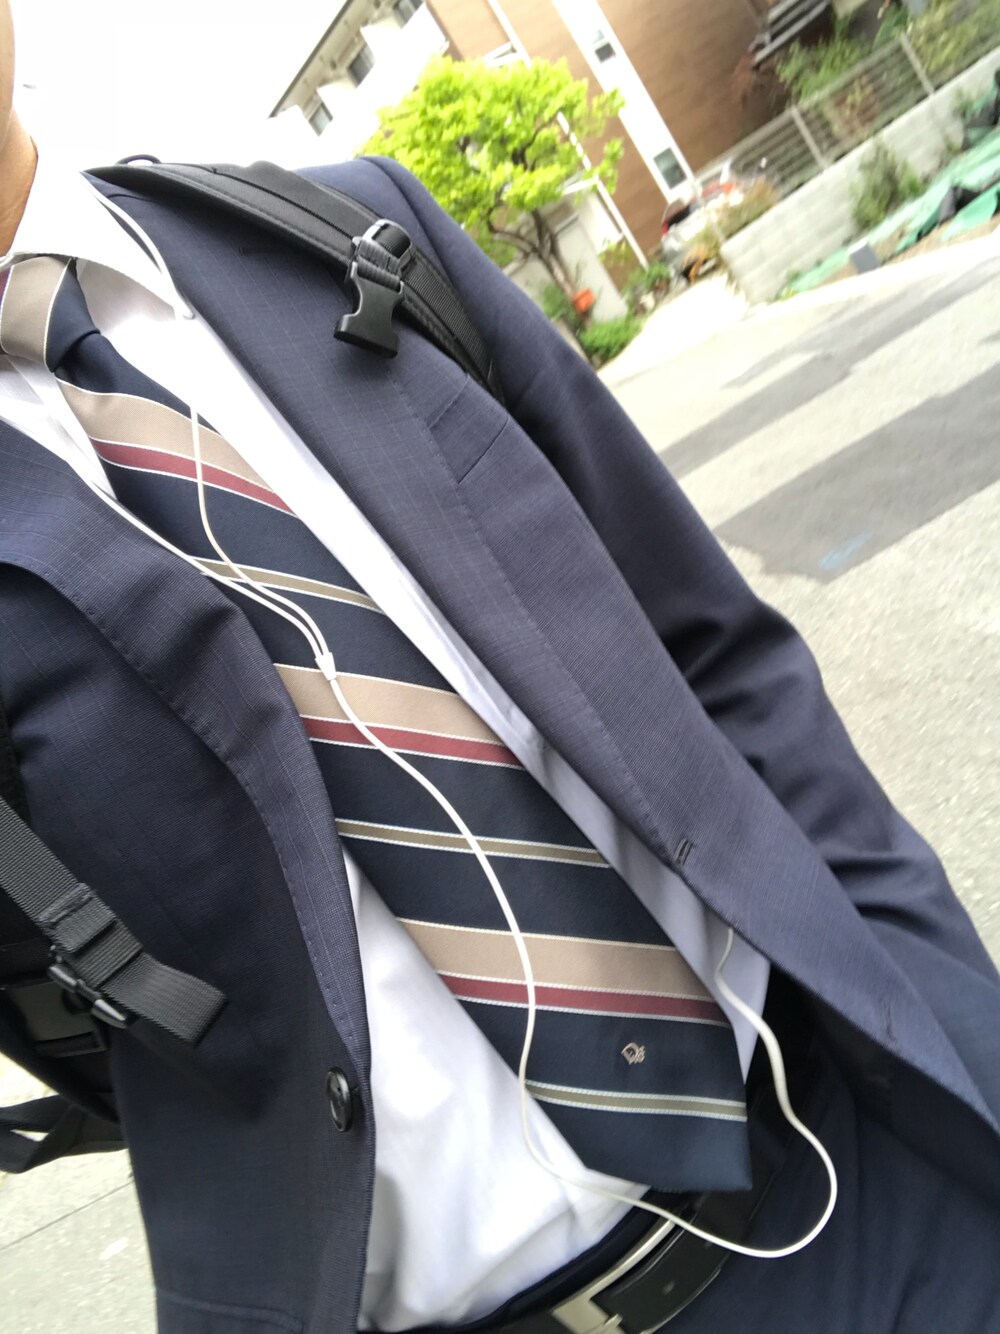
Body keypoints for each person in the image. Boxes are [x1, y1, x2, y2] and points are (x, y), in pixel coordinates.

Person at [1, 6, 999, 1332]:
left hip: (865, 1170)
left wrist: (954, 1016)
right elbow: (84, 1026)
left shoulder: (343, 230)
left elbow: (716, 653)